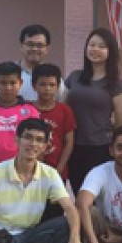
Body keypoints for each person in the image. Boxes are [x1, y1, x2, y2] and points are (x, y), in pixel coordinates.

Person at [66, 28, 122, 194]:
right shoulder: (74, 77)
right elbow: (62, 107)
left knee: (99, 197)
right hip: (74, 147)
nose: (95, 49)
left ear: (110, 52)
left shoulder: (117, 83)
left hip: (100, 148)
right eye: (92, 45)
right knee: (79, 194)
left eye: (101, 46)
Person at [32, 63, 76, 222]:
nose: (47, 89)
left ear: (58, 87)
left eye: (52, 85)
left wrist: (60, 168)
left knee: (54, 214)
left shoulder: (65, 110)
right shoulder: (27, 109)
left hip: (57, 172)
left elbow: (69, 141)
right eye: (42, 84)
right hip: (31, 173)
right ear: (34, 85)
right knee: (33, 214)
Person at [0, 24, 67, 102]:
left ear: (47, 49)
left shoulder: (54, 78)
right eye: (30, 44)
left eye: (40, 45)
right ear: (21, 46)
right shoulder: (7, 74)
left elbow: (62, 106)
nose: (35, 49)